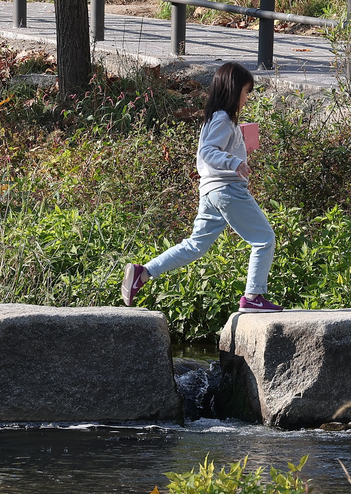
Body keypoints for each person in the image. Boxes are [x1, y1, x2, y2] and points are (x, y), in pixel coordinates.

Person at [120, 62, 283, 313]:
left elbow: (213, 148)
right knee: (263, 239)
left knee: (195, 245)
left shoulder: (217, 120)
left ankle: (144, 272)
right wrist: (234, 161)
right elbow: (208, 152)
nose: (247, 99)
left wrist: (238, 146)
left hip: (210, 192)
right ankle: (253, 296)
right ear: (234, 89)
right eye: (246, 92)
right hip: (227, 189)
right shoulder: (222, 119)